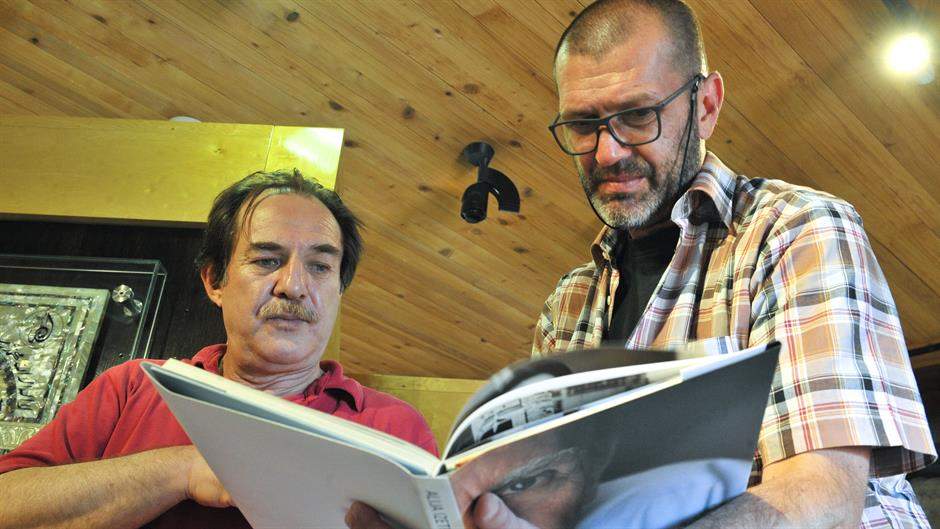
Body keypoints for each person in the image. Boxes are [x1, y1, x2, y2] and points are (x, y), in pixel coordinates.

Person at [532, 0, 936, 528]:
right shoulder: (565, 307)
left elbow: (825, 497)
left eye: (638, 114)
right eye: (584, 124)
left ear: (705, 106)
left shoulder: (794, 230)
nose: (608, 152)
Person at [0, 170, 437, 529]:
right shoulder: (132, 387)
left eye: (320, 266)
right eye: (267, 260)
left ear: (339, 290)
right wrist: (184, 469)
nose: (294, 286)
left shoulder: (396, 426)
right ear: (215, 281)